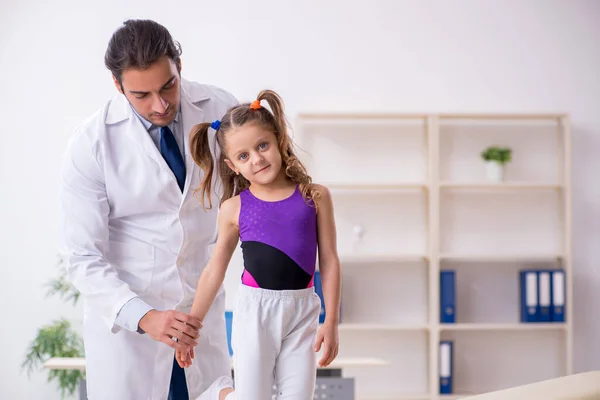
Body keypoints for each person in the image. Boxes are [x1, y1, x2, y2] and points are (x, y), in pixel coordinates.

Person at [58, 19, 238, 400]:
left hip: (200, 317)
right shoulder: (91, 143)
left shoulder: (222, 109)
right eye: (141, 95)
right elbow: (81, 256)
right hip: (130, 333)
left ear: (179, 66)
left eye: (168, 86)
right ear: (117, 84)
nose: (160, 105)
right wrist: (144, 316)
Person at [176, 90, 342, 400]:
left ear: (279, 140)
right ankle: (220, 395)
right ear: (232, 165)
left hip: (303, 310)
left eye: (262, 145)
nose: (257, 158)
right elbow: (214, 270)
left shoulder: (315, 196)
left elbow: (330, 260)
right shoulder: (234, 208)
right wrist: (192, 328)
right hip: (255, 312)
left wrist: (330, 322)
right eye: (244, 155)